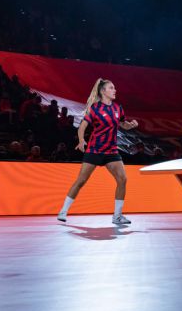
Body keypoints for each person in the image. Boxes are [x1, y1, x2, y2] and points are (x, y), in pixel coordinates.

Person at [57, 78, 138, 225]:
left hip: (111, 151)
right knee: (81, 181)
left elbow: (123, 125)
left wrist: (130, 125)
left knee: (122, 179)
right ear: (103, 91)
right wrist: (81, 140)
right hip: (95, 150)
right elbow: (82, 127)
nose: (115, 90)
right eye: (111, 88)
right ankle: (63, 210)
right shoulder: (95, 108)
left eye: (114, 88)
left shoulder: (118, 108)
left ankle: (117, 216)